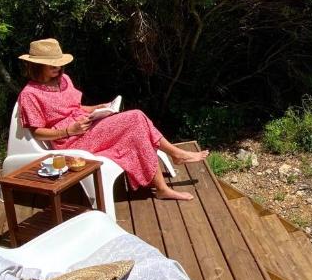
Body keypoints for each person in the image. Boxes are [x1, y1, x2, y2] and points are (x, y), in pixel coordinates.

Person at [16, 38, 208, 201]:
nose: (58, 68)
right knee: (135, 118)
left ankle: (164, 179)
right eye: (52, 65)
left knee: (136, 121)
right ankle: (172, 161)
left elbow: (74, 108)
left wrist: (98, 108)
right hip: (70, 141)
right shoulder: (30, 94)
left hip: (86, 126)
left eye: (59, 63)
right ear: (37, 65)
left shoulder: (64, 80)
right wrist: (68, 131)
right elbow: (37, 132)